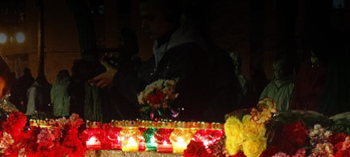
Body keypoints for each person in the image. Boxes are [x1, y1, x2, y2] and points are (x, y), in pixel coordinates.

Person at [89, 0, 238, 121]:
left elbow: (157, 100)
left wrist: (118, 78)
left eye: (151, 18)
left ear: (171, 15)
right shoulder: (161, 54)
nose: (143, 25)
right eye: (142, 19)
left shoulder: (192, 53)